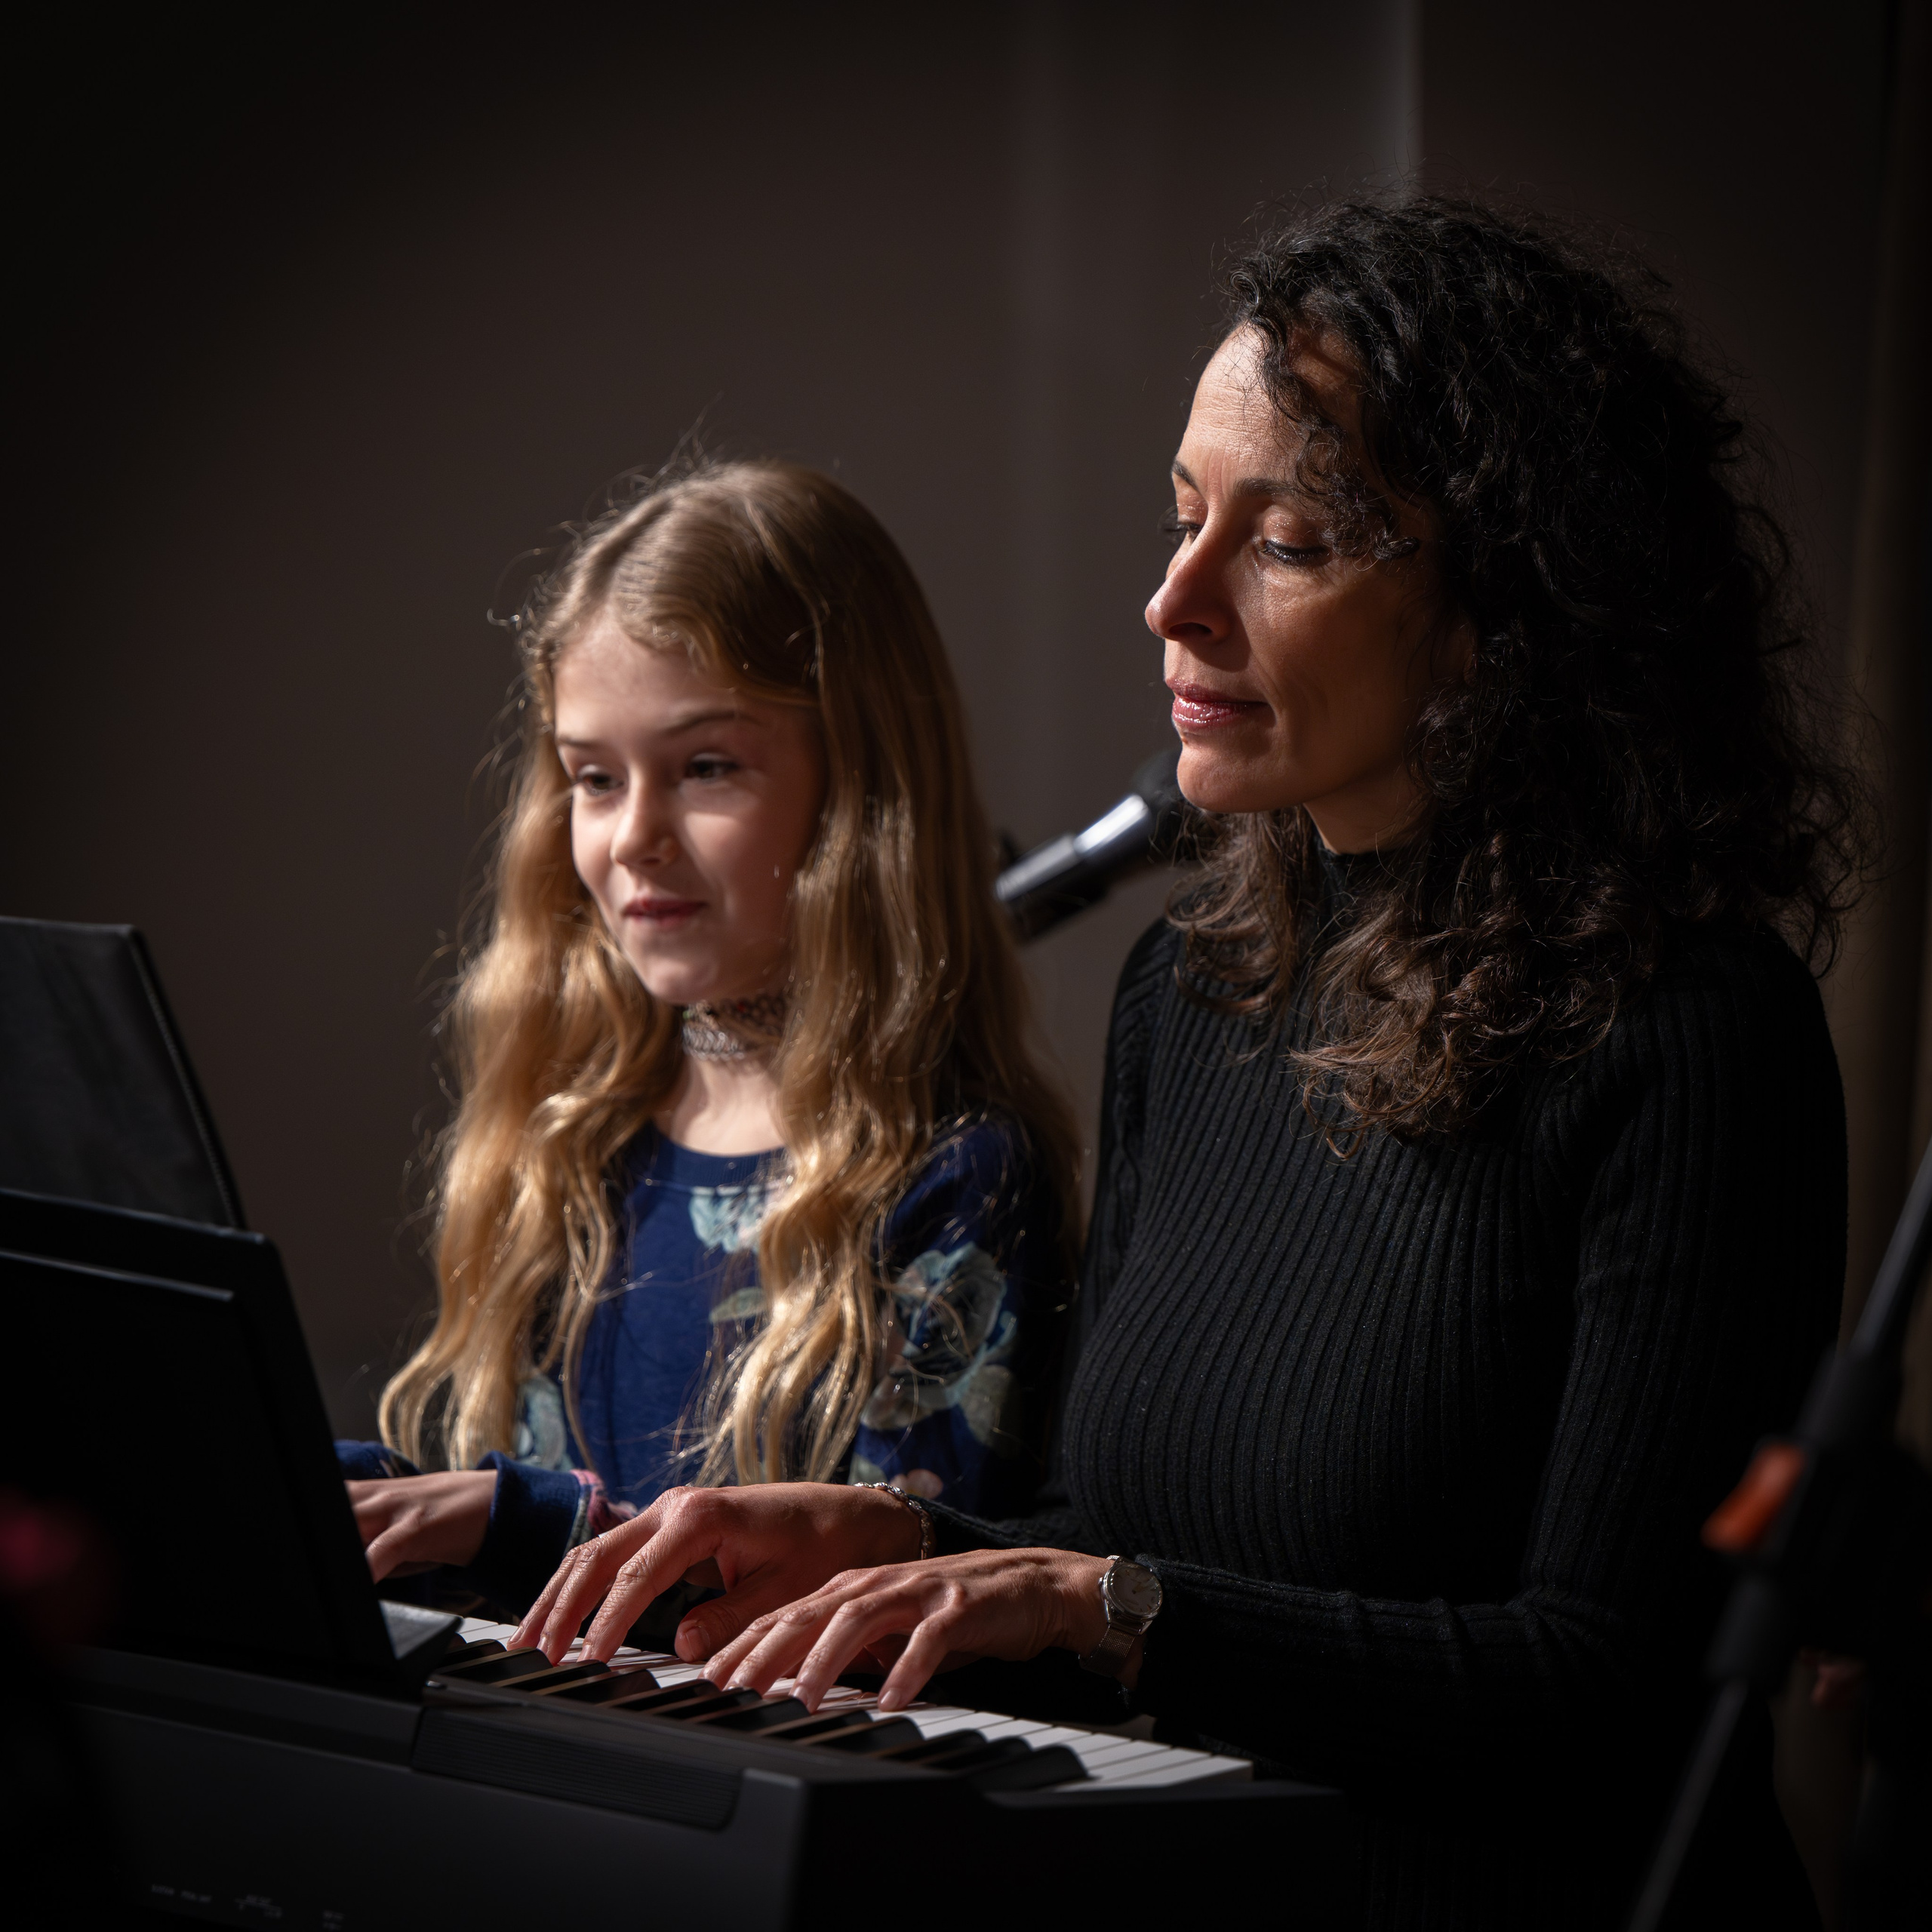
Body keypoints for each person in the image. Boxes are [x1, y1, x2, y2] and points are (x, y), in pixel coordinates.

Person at [515, 205, 1863, 1931]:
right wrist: (904, 1554)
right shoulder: (1193, 985)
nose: (1172, 600)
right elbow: (1120, 1528)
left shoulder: (1690, 1025)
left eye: (1283, 540)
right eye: (1179, 518)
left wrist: (1110, 1603)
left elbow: (1610, 1684)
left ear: (1494, 616)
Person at [335, 459, 1079, 1622]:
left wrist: (517, 1525)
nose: (634, 836)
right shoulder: (574, 1135)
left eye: (706, 768)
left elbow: (868, 1619)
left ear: (858, 789)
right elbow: (501, 1511)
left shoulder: (957, 1176)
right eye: (592, 777)